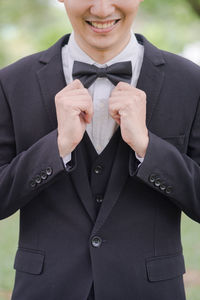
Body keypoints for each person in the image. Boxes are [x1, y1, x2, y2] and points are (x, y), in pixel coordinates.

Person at [0, 0, 200, 299]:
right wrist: (55, 148)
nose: (103, 9)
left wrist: (147, 147)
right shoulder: (11, 82)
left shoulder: (191, 82)